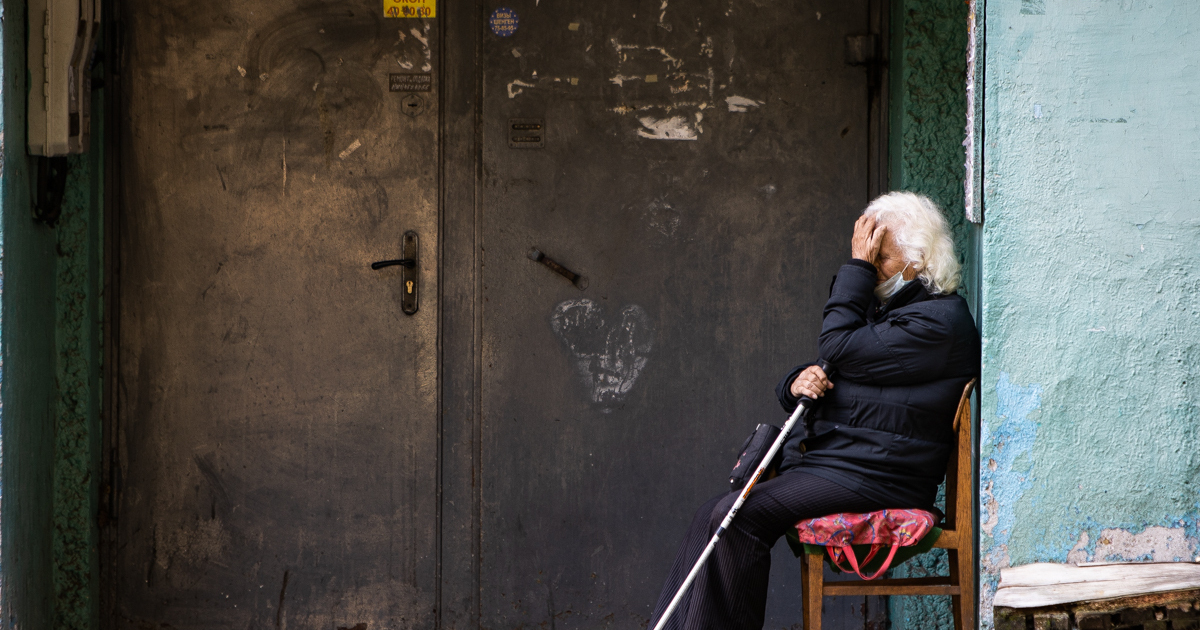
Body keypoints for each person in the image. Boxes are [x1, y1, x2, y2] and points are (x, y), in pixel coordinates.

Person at [648, 191, 981, 630]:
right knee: (716, 512)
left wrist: (856, 270)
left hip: (879, 476)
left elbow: (838, 347)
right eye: (870, 258)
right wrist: (795, 383)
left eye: (879, 257)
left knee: (741, 519)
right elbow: (837, 367)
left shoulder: (939, 323)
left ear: (916, 260)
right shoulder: (893, 313)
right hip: (842, 465)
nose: (872, 267)